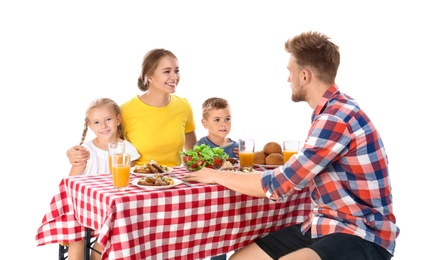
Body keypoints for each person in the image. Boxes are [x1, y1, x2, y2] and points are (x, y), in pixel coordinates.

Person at [183, 31, 399, 260]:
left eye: (290, 72)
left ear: (304, 76)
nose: (288, 79)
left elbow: (278, 185)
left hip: (361, 235)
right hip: (322, 225)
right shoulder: (332, 110)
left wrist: (215, 175)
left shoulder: (335, 118)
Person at [67, 48, 197, 167]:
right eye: (167, 71)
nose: (174, 77)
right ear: (149, 76)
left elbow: (193, 153)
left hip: (174, 182)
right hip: (138, 182)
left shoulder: (183, 106)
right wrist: (73, 153)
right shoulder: (126, 111)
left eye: (177, 71)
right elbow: (105, 141)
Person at [66, 98, 140, 260]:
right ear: (90, 126)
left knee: (110, 235)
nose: (104, 126)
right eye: (97, 122)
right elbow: (71, 184)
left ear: (118, 120)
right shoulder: (86, 151)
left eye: (108, 119)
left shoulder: (127, 149)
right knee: (77, 238)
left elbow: (131, 180)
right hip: (84, 207)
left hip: (112, 211)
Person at [195, 97, 239, 260]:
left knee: (236, 238)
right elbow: (198, 170)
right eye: (217, 120)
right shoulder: (201, 146)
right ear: (205, 123)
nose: (223, 124)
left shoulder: (235, 147)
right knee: (216, 241)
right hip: (211, 203)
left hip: (232, 201)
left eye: (227, 119)